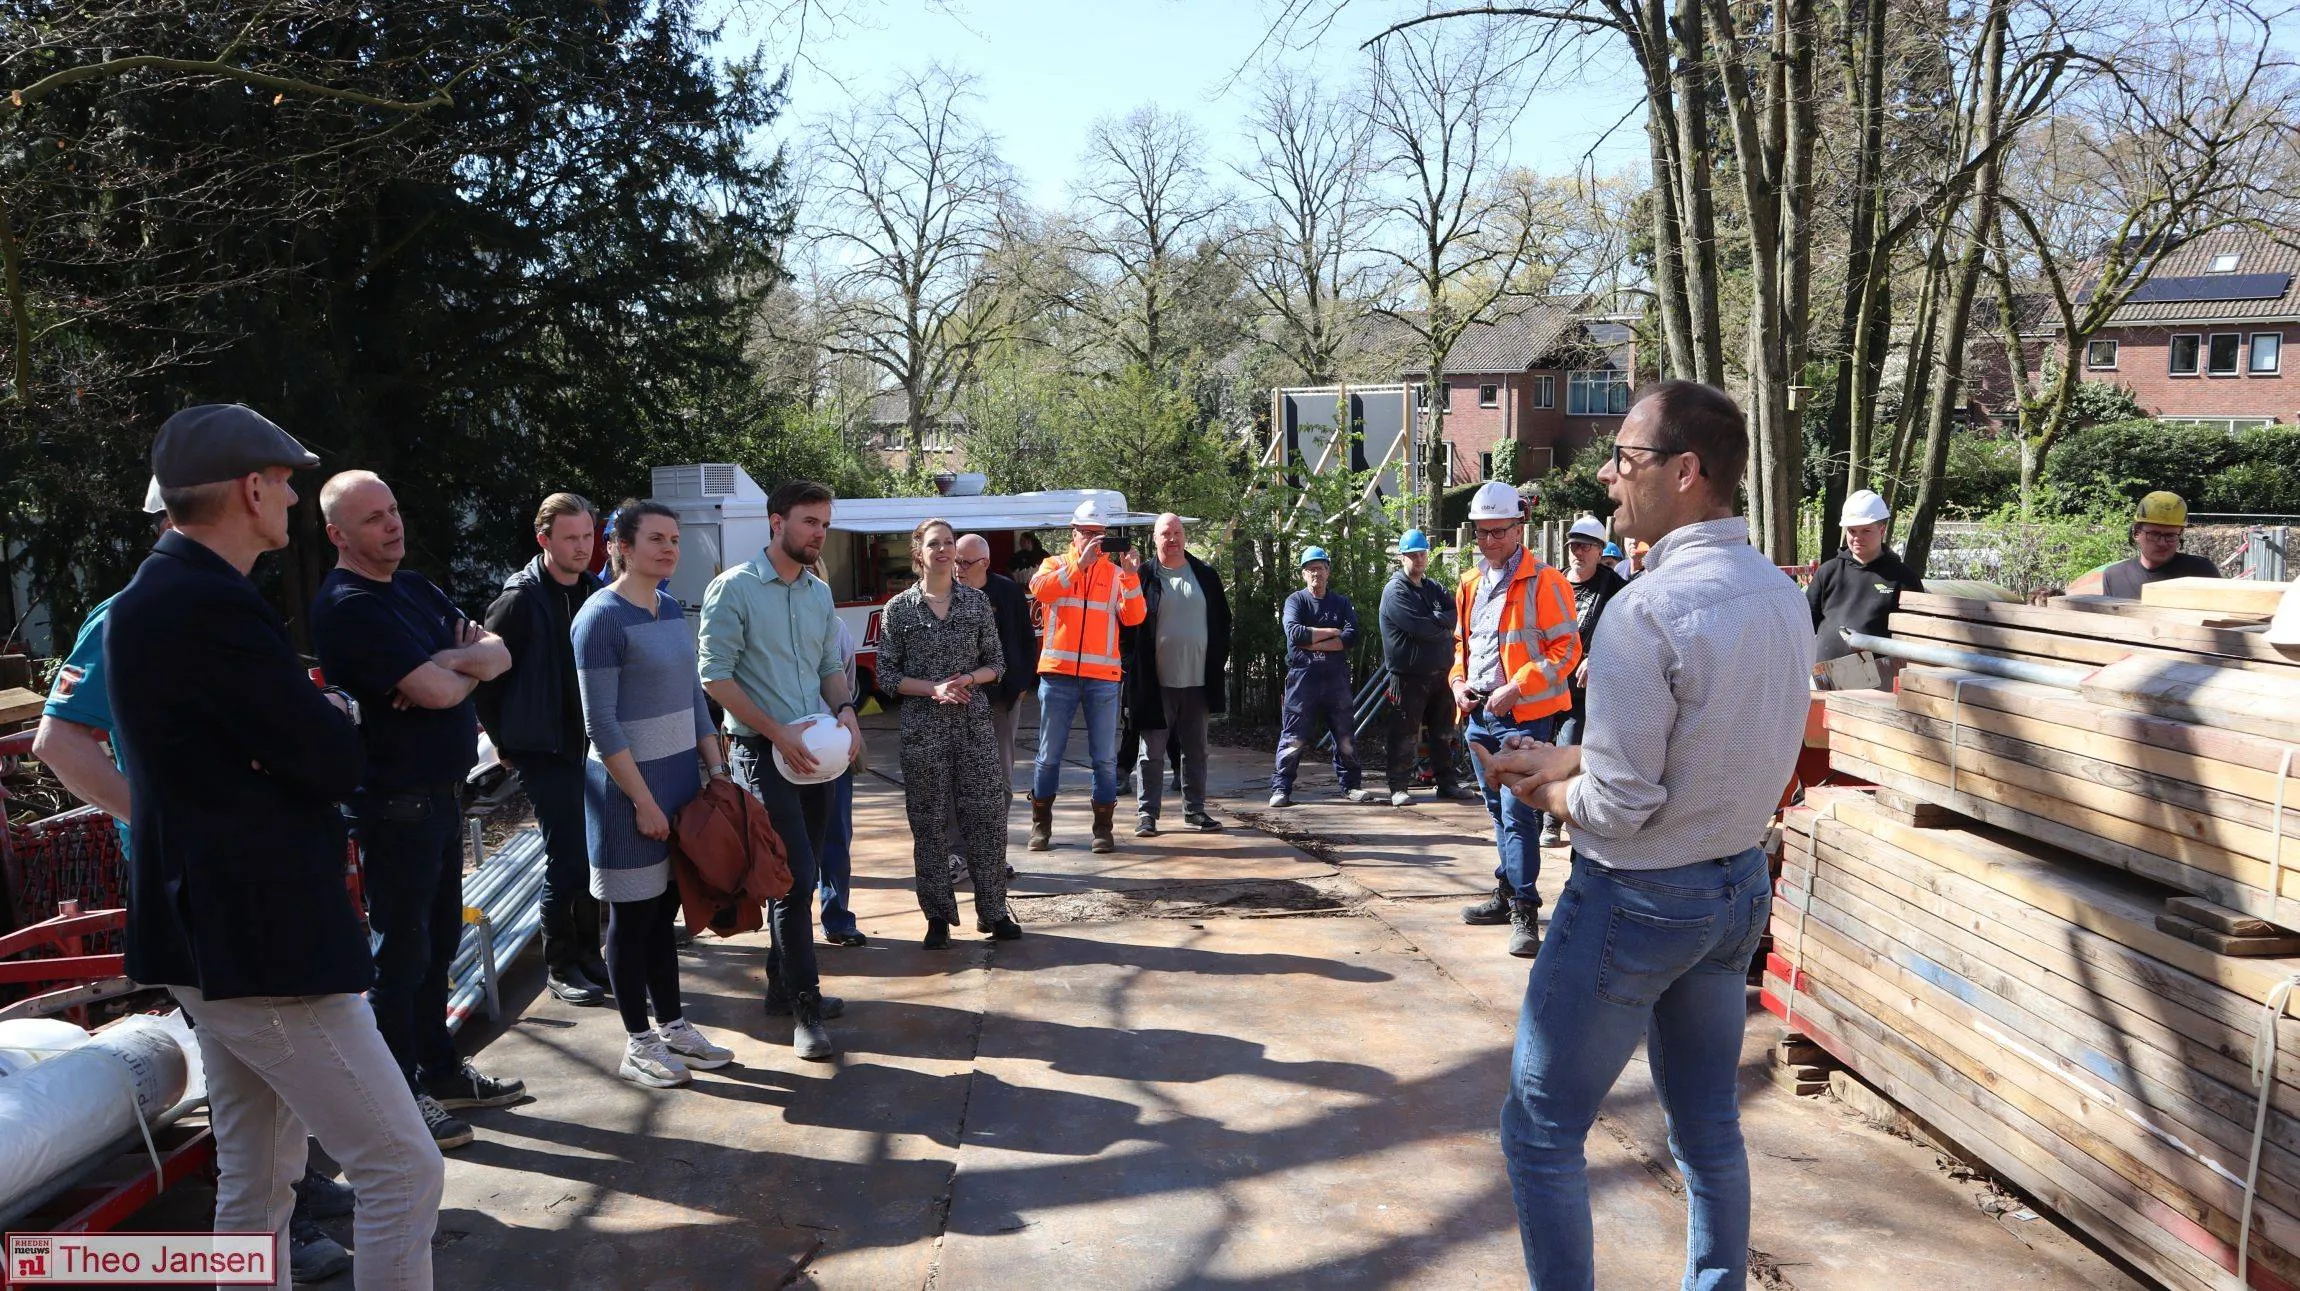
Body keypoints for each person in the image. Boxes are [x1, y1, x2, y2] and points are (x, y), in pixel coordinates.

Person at [1482, 380, 1810, 1291]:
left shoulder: (1643, 611)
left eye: (1627, 457)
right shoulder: (1780, 594)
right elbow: (1708, 740)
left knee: (1541, 1128)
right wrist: (1566, 755)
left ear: (1686, 470)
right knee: (1708, 1126)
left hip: (1635, 899)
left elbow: (1621, 806)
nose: (1609, 475)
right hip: (1737, 891)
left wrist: (1542, 791)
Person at [108, 405, 443, 1290]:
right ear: (251, 488)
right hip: (262, 944)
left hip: (215, 937)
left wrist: (308, 728)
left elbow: (292, 747)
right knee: (403, 1166)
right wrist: (327, 720)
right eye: (288, 481)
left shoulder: (164, 594)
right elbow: (334, 756)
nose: (294, 497)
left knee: (258, 1178)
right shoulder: (205, 604)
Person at [38, 476, 358, 1284]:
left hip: (228, 889)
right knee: (358, 1141)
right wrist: (160, 818)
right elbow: (58, 740)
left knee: (262, 1123)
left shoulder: (211, 612)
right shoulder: (130, 618)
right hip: (205, 899)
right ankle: (287, 1222)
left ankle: (282, 1225)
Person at [310, 470, 523, 1151]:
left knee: (438, 945)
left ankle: (440, 1069)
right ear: (338, 534)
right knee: (399, 957)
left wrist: (447, 661)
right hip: (394, 803)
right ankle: (400, 1095)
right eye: (373, 517)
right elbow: (436, 691)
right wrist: (456, 667)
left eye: (395, 508)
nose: (393, 524)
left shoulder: (414, 585)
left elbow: (500, 652)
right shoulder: (347, 605)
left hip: (440, 796)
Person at [698, 480, 864, 1062]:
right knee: (792, 880)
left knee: (807, 868)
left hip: (818, 753)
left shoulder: (818, 594)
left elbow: (828, 666)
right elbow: (714, 678)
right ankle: (806, 1010)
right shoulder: (733, 590)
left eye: (824, 523)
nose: (819, 533)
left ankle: (780, 985)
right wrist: (777, 734)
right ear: (776, 523)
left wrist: (845, 711)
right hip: (762, 755)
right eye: (809, 522)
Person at [574, 500, 736, 1087]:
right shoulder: (600, 617)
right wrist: (641, 800)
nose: (670, 549)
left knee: (663, 912)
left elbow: (694, 697)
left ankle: (672, 1025)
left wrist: (715, 768)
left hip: (678, 785)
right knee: (631, 917)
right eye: (657, 539)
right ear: (621, 545)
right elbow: (602, 724)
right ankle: (637, 1042)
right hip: (626, 794)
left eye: (674, 539)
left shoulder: (670, 608)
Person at [477, 493, 610, 1007]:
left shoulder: (594, 592)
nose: (583, 548)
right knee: (568, 857)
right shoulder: (518, 601)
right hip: (543, 751)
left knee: (591, 854)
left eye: (588, 537)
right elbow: (485, 679)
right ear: (544, 540)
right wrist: (505, 743)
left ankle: (590, 955)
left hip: (592, 748)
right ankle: (560, 964)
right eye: (571, 538)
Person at [1450, 479, 1581, 960]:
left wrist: (1516, 687)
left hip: (1522, 716)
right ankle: (1507, 894)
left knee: (1519, 814)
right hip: (1479, 713)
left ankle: (1525, 907)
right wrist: (1458, 683)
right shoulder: (1469, 583)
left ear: (1519, 527)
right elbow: (1463, 646)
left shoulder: (1546, 582)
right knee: (1495, 811)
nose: (1488, 541)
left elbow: (1567, 648)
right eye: (1481, 532)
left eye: (1498, 532)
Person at [877, 518, 1019, 946]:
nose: (943, 551)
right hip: (923, 730)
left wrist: (969, 681)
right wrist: (932, 689)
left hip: (973, 727)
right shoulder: (898, 610)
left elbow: (998, 664)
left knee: (987, 819)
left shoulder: (976, 603)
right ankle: (937, 917)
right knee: (930, 823)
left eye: (949, 543)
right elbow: (886, 675)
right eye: (935, 544)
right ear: (918, 552)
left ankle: (993, 912)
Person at [1027, 499, 1146, 855]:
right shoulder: (1055, 564)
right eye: (1088, 534)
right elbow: (1040, 589)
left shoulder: (1115, 574)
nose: (1094, 541)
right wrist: (1079, 565)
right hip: (1058, 674)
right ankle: (1041, 826)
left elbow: (1135, 617)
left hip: (1102, 678)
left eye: (1100, 535)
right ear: (1073, 533)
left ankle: (1103, 830)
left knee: (1104, 759)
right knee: (1049, 756)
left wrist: (1132, 574)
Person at [1122, 512, 1231, 836]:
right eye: (1165, 534)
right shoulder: (1143, 576)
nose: (1172, 539)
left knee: (1196, 750)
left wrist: (1217, 661)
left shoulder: (1205, 576)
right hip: (1155, 683)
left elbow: (1223, 622)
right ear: (1155, 539)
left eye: (1177, 532)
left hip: (1198, 681)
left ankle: (1194, 810)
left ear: (1185, 536)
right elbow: (1126, 626)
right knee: (1150, 752)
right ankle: (1147, 815)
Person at [1271, 547, 1378, 808]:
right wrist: (1332, 632)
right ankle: (1281, 789)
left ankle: (1351, 786)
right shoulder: (1295, 601)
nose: (1315, 573)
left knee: (1345, 736)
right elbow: (1295, 634)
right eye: (1310, 568)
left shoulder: (1340, 603)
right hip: (1302, 679)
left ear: (1328, 571)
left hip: (1335, 680)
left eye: (1320, 567)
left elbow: (1351, 636)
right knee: (1293, 736)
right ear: (1303, 574)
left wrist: (1314, 640)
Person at [1544, 515, 1627, 848]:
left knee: (1567, 750)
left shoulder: (1616, 589)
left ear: (1598, 550)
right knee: (1538, 751)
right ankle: (1537, 816)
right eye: (1572, 546)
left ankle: (1552, 822)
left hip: (1583, 695)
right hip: (1546, 688)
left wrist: (1598, 657)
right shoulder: (1553, 582)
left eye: (1584, 546)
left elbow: (1629, 633)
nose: (1577, 552)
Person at [1377, 528, 1465, 808]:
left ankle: (1447, 783)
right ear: (1402, 557)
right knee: (1403, 732)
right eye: (1413, 555)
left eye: (1422, 554)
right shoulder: (1395, 591)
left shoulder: (1433, 588)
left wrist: (1437, 622)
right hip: (1408, 677)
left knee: (1443, 733)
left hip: (1440, 675)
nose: (1419, 559)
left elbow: (1454, 616)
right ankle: (1398, 786)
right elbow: (1417, 627)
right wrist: (1439, 624)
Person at [1806, 488, 1924, 665]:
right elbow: (1805, 624)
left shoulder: (1904, 579)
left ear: (1882, 530)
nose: (1857, 538)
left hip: (1877, 682)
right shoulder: (1828, 572)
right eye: (1852, 531)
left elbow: (1915, 640)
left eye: (1866, 531)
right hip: (1822, 678)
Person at [956, 533, 1037, 786]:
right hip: (960, 697)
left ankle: (998, 824)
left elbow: (1027, 639)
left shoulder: (1008, 591)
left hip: (1003, 696)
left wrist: (1022, 684)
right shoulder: (946, 594)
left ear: (985, 563)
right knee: (962, 775)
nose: (959, 569)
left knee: (1001, 772)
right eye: (956, 561)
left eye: (966, 563)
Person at [2100, 490, 2219, 599]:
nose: (2162, 543)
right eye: (2153, 534)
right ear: (2136, 533)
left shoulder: (2201, 572)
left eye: (2170, 535)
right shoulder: (2115, 576)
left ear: (2180, 535)